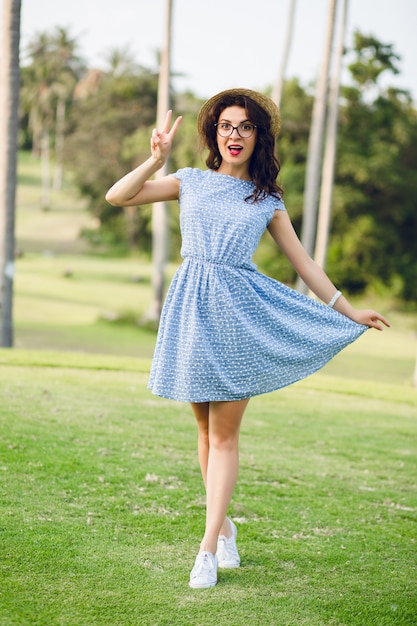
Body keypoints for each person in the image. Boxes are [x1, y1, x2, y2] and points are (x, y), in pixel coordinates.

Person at [105, 88, 389, 589]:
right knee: (203, 433)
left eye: (246, 127)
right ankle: (226, 527)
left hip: (240, 314)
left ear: (260, 136)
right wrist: (154, 161)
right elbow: (118, 196)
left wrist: (347, 310)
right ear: (215, 133)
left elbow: (305, 264)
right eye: (226, 126)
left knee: (226, 434)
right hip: (192, 307)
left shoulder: (267, 199)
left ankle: (207, 549)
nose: (235, 135)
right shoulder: (189, 181)